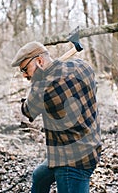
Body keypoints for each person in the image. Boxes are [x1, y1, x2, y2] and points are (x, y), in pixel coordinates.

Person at [11, 41, 101, 193]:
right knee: (39, 177)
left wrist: (34, 84)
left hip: (72, 163)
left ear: (40, 61)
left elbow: (27, 110)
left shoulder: (41, 89)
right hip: (90, 146)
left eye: (25, 70)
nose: (25, 75)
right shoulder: (81, 66)